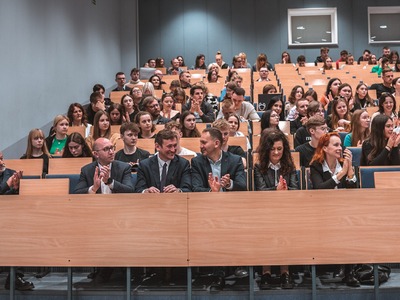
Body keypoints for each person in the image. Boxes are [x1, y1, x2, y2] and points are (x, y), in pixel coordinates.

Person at [309, 132, 359, 287]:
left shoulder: (344, 163)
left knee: (352, 222)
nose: (340, 148)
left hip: (343, 209)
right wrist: (341, 174)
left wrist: (350, 171)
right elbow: (319, 189)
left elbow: (354, 191)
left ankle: (349, 270)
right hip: (322, 211)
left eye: (340, 145)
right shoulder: (316, 166)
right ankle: (337, 266)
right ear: (325, 147)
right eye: (335, 145)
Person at [254, 128, 297, 289]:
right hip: (265, 211)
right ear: (266, 150)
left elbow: (295, 189)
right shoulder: (259, 167)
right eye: (272, 149)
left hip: (287, 210)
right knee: (266, 229)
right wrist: (277, 191)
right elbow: (260, 191)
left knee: (285, 229)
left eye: (279, 149)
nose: (276, 152)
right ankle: (266, 272)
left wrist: (284, 191)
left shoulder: (289, 166)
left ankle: (285, 272)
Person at [0, 152, 34, 291]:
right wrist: (6, 186)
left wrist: (15, 188)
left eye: (1, 158)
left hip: (10, 218)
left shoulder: (11, 174)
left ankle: (15, 278)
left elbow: (18, 198)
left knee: (20, 232)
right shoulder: (8, 179)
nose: (1, 162)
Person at [191, 128, 247, 192]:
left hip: (230, 201)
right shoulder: (197, 162)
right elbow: (196, 188)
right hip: (206, 200)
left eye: (204, 143)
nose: (201, 146)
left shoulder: (235, 160)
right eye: (200, 143)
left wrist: (229, 184)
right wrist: (212, 191)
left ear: (216, 143)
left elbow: (243, 186)